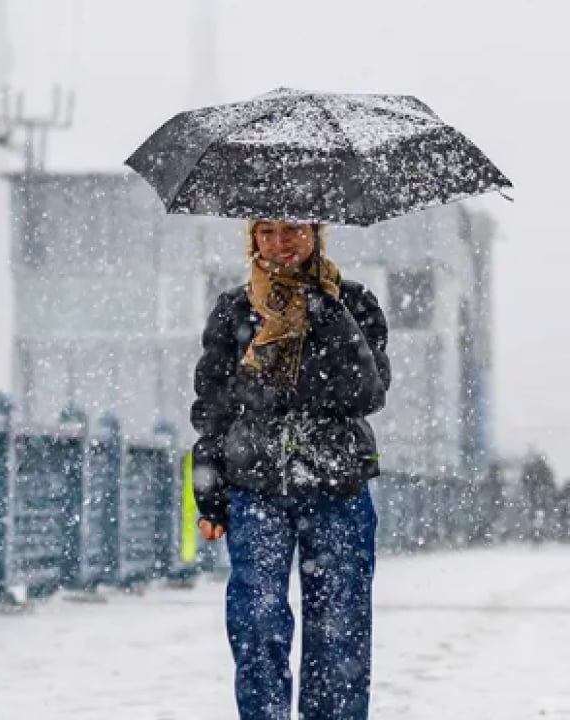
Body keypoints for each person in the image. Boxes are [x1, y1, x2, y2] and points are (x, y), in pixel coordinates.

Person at [190, 220, 391, 720]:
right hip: (255, 485)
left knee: (339, 627)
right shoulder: (237, 309)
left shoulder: (354, 302)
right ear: (253, 239)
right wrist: (210, 492)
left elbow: (368, 393)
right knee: (256, 622)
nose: (281, 244)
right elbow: (213, 408)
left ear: (317, 234)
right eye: (267, 232)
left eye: (295, 231)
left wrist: (329, 314)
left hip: (337, 483)